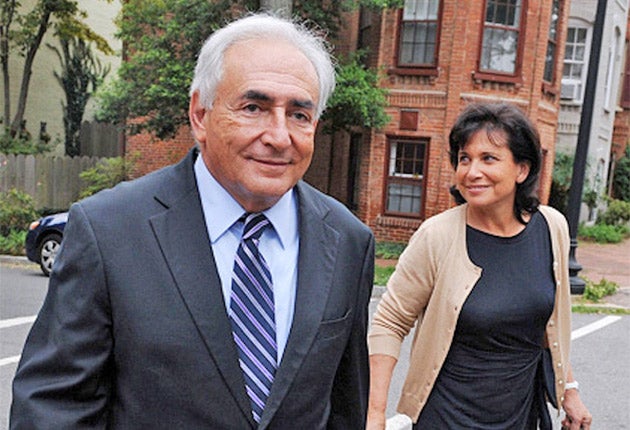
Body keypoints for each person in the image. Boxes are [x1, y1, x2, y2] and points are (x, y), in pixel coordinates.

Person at [10, 13, 375, 429]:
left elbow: (345, 408)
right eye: (254, 107)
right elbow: (53, 408)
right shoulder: (109, 230)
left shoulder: (347, 241)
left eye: (299, 115)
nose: (279, 136)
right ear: (200, 115)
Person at [366, 102, 592, 430]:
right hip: (447, 417)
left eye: (489, 158)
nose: (472, 172)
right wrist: (375, 415)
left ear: (522, 169)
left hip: (521, 416)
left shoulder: (551, 227)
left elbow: (548, 325)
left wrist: (568, 389)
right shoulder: (437, 235)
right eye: (464, 159)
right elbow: (389, 322)